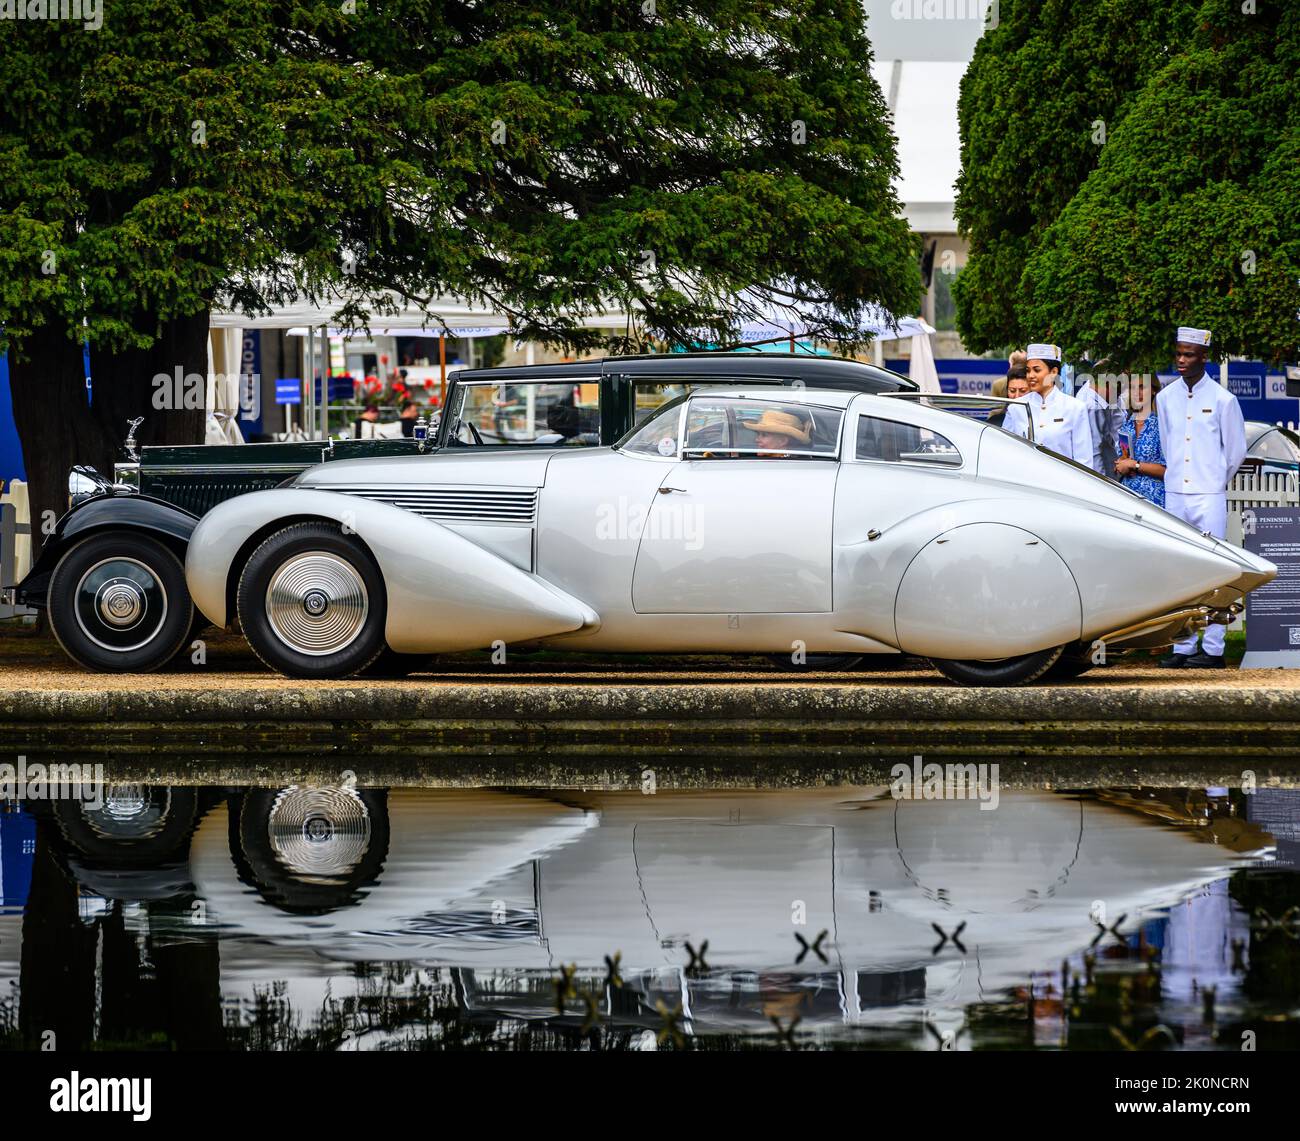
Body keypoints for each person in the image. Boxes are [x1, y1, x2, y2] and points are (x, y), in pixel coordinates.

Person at [1157, 326, 1246, 669]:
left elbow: (1235, 452)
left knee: (1214, 571)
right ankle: (1182, 646)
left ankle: (1212, 648)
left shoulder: (1224, 400)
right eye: (1178, 353)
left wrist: (1212, 483)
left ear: (1203, 357)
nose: (1181, 360)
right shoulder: (1165, 398)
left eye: (1189, 354)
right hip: (1176, 492)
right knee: (1176, 571)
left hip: (1208, 495)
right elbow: (1168, 445)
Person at [1003, 343, 1093, 465]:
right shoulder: (1016, 407)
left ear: (1053, 372)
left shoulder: (1074, 408)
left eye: (1037, 370)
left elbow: (1084, 460)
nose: (1030, 376)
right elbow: (1005, 451)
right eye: (1028, 371)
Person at [1113, 375, 1165, 506]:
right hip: (1128, 498)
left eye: (1142, 387)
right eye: (1133, 387)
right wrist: (1120, 464)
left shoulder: (1162, 425)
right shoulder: (1127, 425)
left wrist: (1134, 465)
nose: (1137, 392)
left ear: (1154, 390)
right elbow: (1124, 459)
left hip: (1154, 500)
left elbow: (1168, 470)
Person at [1074, 367, 1123, 475]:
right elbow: (1094, 451)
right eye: (1118, 389)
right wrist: (1101, 481)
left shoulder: (1089, 389)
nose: (1119, 394)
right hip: (1102, 474)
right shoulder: (1093, 407)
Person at [741, 408, 812, 457]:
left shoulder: (787, 467)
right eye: (758, 434)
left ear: (782, 441)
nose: (756, 440)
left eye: (764, 435)